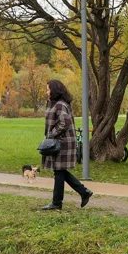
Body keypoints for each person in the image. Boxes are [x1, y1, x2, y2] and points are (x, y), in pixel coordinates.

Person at [41, 80, 93, 210]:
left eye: (48, 89)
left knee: (59, 171)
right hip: (61, 141)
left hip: (62, 141)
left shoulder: (60, 105)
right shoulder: (56, 104)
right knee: (60, 171)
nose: (46, 92)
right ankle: (83, 192)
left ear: (55, 90)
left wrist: (52, 134)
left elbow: (65, 123)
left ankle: (57, 202)